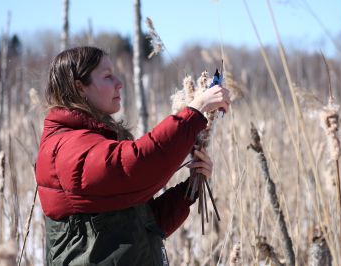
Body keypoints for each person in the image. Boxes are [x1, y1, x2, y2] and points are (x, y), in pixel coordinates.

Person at [35, 46, 230, 265]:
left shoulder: (94, 140)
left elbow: (141, 225)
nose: (119, 83)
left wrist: (189, 189)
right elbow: (135, 167)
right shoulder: (66, 147)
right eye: (108, 76)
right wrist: (196, 109)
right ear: (80, 88)